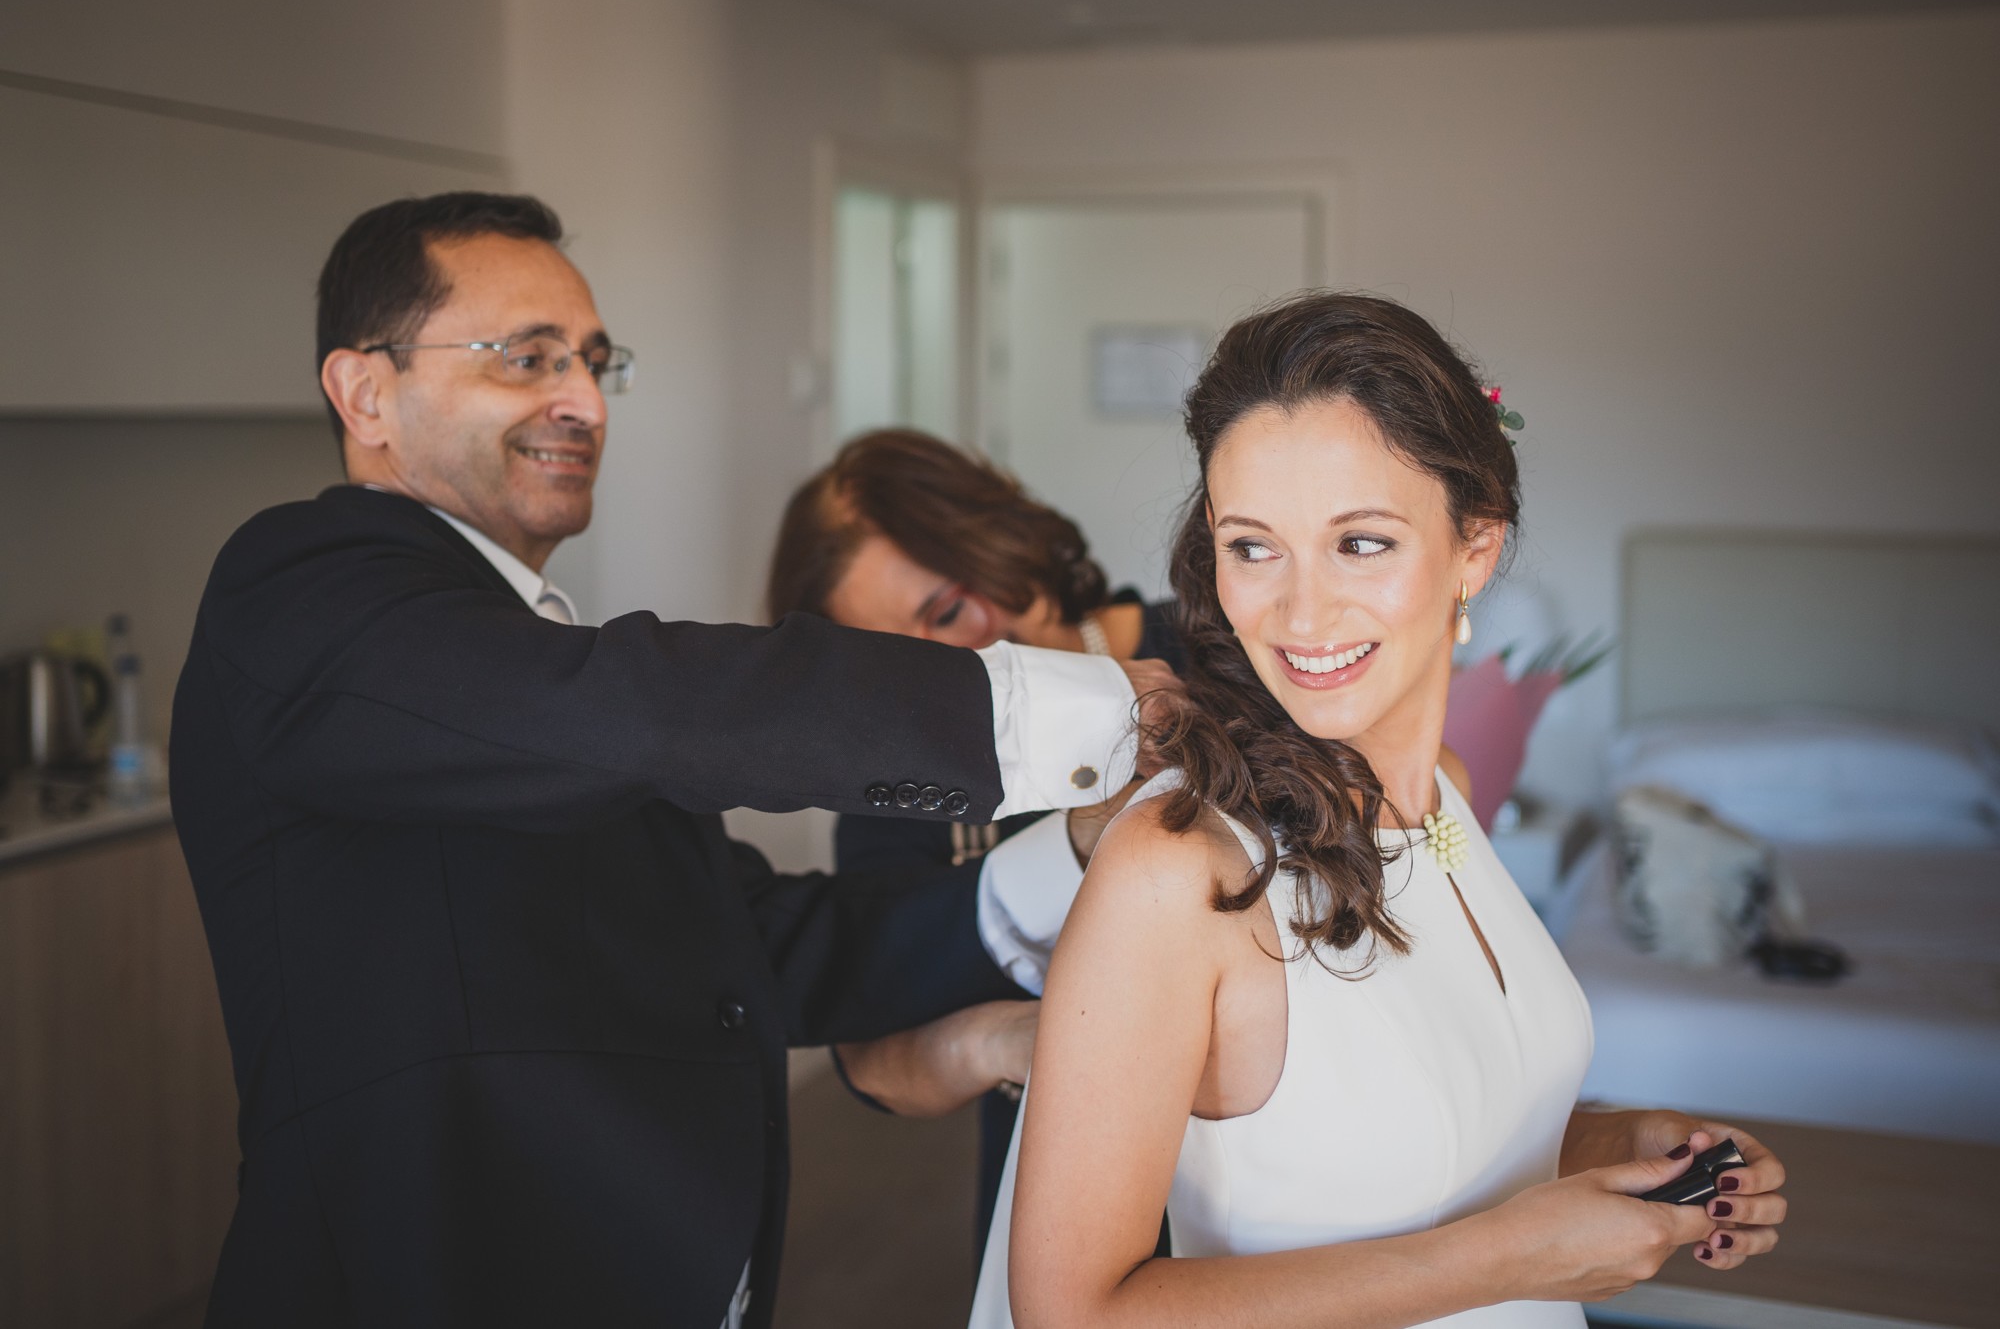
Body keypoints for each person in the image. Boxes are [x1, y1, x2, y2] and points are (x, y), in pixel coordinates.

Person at [169, 192, 1171, 1329]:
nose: (583, 400)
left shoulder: (533, 673)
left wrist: (1067, 860)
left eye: (595, 361)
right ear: (365, 392)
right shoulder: (298, 591)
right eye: (525, 357)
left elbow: (757, 944)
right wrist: (1090, 715)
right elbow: (638, 707)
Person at [971, 291, 1790, 1328]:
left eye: (1359, 543)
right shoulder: (1178, 876)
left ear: (1474, 549)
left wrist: (1613, 1144)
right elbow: (1074, 1314)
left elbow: (1421, 1132)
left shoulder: (1443, 796)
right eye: (1252, 546)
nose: (1300, 612)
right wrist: (1500, 1259)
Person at [765, 428, 1183, 1253]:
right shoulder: (903, 779)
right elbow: (870, 1049)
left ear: (1001, 538)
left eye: (948, 610)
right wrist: (1004, 1041)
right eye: (894, 663)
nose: (937, 672)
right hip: (1066, 1207)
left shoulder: (1212, 652)